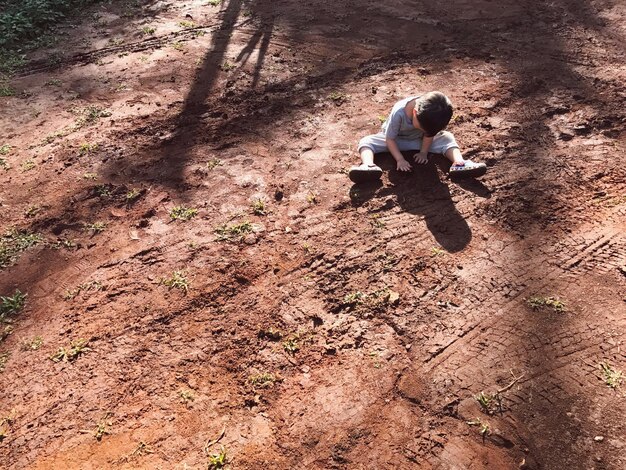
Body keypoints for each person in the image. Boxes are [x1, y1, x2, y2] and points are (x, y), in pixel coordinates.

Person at [348, 91, 486, 183]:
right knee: (367, 141)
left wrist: (423, 152)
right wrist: (400, 159)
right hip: (396, 141)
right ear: (414, 113)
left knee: (447, 137)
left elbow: (429, 135)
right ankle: (368, 165)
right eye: (422, 127)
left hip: (420, 141)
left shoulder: (434, 113)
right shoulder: (399, 112)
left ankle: (459, 163)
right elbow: (389, 139)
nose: (427, 130)